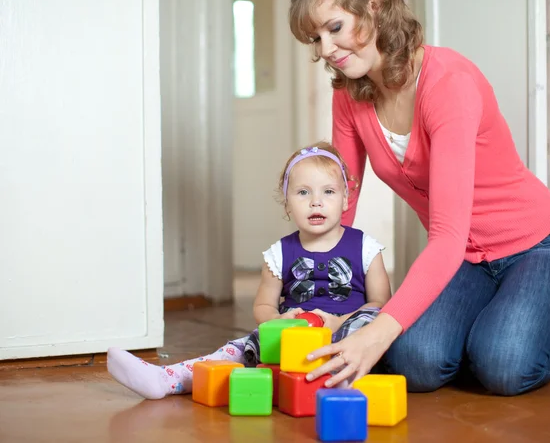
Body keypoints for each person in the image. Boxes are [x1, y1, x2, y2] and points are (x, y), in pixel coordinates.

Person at [289, 0, 550, 396]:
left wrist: (377, 330)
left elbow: (445, 234)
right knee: (415, 363)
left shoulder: (449, 83)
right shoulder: (349, 98)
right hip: (464, 258)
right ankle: (486, 327)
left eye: (334, 28)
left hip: (537, 247)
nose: (327, 50)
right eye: (316, 38)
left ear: (373, 3)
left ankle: (533, 336)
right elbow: (340, 206)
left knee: (503, 366)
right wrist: (324, 300)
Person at [107, 141, 392, 399]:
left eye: (328, 192)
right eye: (303, 192)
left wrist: (339, 322)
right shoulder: (279, 253)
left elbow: (381, 303)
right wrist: (279, 319)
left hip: (349, 334)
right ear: (287, 203)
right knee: (241, 347)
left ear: (345, 199)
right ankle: (170, 379)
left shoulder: (365, 247)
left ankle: (340, 379)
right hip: (294, 336)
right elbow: (263, 305)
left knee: (374, 316)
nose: (316, 201)